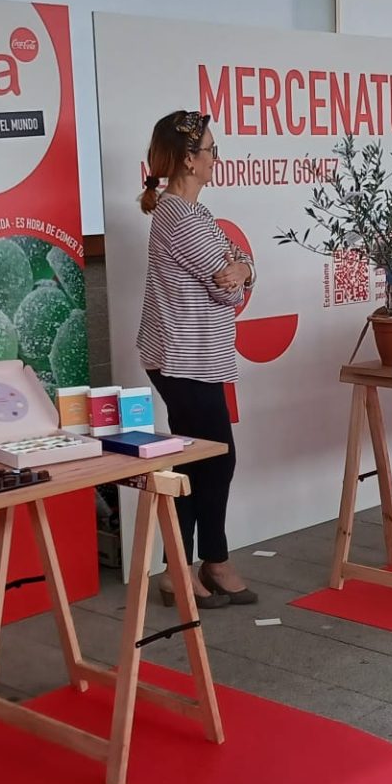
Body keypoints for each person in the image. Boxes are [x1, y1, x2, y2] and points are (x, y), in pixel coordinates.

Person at [135, 109, 257, 608]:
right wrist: (239, 273)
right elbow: (226, 288)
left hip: (196, 355)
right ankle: (186, 568)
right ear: (188, 159)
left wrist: (243, 269)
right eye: (210, 150)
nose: (215, 158)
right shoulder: (180, 217)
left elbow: (240, 267)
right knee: (206, 461)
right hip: (182, 357)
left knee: (207, 460)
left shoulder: (195, 213)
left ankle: (203, 562)